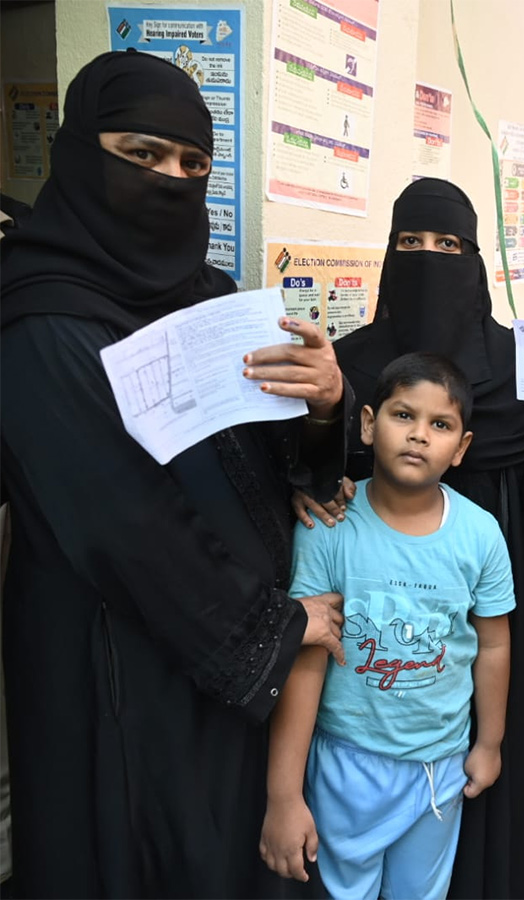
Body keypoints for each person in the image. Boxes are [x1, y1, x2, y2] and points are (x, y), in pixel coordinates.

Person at [0, 50, 347, 896]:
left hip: (218, 652)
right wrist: (277, 626)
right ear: (82, 154)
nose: (171, 179)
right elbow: (126, 524)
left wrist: (326, 405)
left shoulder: (206, 295)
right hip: (116, 661)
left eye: (192, 163)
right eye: (142, 154)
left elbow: (265, 459)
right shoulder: (38, 319)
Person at [316, 178, 524, 898]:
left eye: (447, 245)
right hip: (366, 614)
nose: (428, 258)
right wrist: (315, 468)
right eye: (411, 244)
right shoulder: (350, 363)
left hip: (483, 582)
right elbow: (314, 464)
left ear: (475, 257)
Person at [260, 353, 514, 900]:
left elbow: (493, 642)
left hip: (440, 767)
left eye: (440, 425)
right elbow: (306, 655)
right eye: (404, 416)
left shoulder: (481, 535)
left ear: (462, 446)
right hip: (347, 763)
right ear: (369, 423)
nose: (419, 436)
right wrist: (284, 794)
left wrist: (488, 742)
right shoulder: (327, 528)